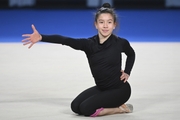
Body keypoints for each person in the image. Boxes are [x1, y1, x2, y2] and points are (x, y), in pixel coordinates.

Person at [22, 3, 135, 117]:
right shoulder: (89, 44)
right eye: (101, 22)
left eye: (109, 22)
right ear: (96, 24)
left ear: (114, 25)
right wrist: (42, 37)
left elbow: (131, 54)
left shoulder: (120, 43)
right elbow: (65, 40)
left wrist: (127, 71)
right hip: (102, 88)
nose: (105, 26)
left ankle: (120, 108)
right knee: (75, 106)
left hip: (120, 90)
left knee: (86, 109)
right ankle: (108, 103)